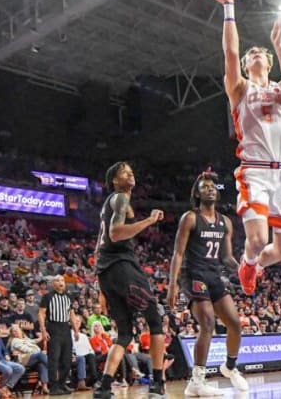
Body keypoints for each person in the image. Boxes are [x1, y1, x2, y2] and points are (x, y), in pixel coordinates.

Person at [212, 0, 281, 296]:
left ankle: (254, 266)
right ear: (248, 65)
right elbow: (231, 52)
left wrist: (278, 44)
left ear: (270, 62)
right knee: (259, 239)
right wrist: (228, 7)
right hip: (255, 172)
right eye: (252, 55)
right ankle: (249, 262)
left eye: (261, 53)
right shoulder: (240, 88)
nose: (256, 55)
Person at [168, 171, 248, 396]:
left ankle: (230, 367)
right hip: (193, 275)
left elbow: (227, 258)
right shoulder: (190, 218)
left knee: (235, 323)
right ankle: (197, 380)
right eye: (205, 187)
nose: (210, 189)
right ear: (197, 193)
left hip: (214, 276)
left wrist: (246, 268)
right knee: (208, 323)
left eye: (213, 186)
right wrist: (172, 285)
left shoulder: (226, 222)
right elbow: (178, 252)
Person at [93, 162, 166, 399]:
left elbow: (98, 246)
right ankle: (157, 383)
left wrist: (101, 288)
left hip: (106, 271)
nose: (130, 174)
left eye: (132, 171)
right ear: (114, 180)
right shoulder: (120, 198)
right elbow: (116, 234)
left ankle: (103, 387)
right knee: (155, 319)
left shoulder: (108, 205)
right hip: (122, 265)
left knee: (125, 333)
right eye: (124, 172)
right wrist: (149, 221)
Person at [38, 275, 79, 395]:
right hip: (53, 327)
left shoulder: (68, 296)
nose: (60, 282)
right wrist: (43, 330)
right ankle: (54, 387)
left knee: (66, 359)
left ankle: (62, 384)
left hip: (66, 328)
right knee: (54, 359)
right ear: (53, 284)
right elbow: (41, 314)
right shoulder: (47, 296)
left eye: (62, 280)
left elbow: (71, 314)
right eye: (57, 280)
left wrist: (76, 330)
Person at [7, 324, 49, 395]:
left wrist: (42, 337)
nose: (16, 332)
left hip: (31, 359)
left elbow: (34, 341)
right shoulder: (14, 341)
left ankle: (44, 386)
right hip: (23, 360)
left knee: (41, 364)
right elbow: (26, 349)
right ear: (12, 333)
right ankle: (53, 369)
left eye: (17, 330)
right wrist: (39, 352)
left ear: (21, 330)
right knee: (40, 355)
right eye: (14, 331)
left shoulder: (25, 339)